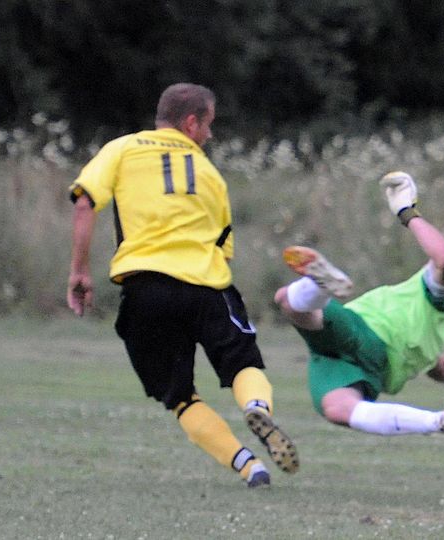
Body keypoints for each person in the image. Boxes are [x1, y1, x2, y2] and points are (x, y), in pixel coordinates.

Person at [66, 83, 297, 487]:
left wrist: (79, 271)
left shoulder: (122, 149)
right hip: (206, 285)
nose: (210, 134)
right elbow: (224, 250)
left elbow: (85, 201)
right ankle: (257, 407)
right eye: (208, 124)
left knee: (180, 397)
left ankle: (249, 467)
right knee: (244, 364)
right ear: (191, 123)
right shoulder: (210, 175)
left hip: (145, 288)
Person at [273, 171, 444, 436]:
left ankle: (318, 287)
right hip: (363, 366)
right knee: (339, 409)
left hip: (363, 334)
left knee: (288, 301)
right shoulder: (434, 335)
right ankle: (439, 421)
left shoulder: (442, 293)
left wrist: (407, 212)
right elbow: (438, 367)